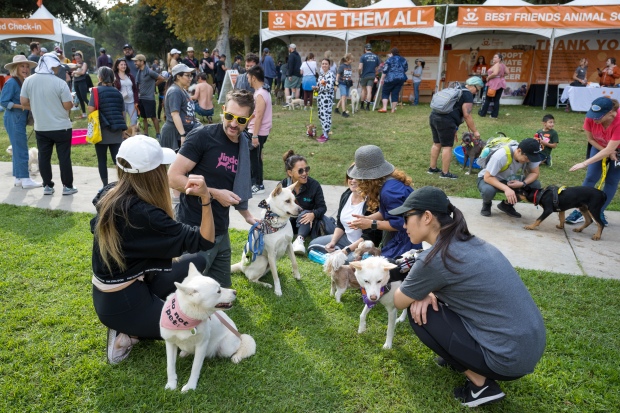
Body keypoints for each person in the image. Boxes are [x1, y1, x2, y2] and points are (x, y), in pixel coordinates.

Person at [391, 186, 546, 408]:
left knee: (418, 310)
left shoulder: (434, 258)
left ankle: (481, 385)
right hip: (527, 348)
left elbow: (399, 300)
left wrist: (421, 293)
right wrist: (428, 290)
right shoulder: (469, 241)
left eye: (407, 217)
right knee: (429, 298)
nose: (404, 225)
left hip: (507, 359)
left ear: (426, 217)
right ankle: (461, 357)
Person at [91, 135, 215, 364]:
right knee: (197, 330)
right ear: (155, 173)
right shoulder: (146, 215)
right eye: (163, 167)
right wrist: (206, 197)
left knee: (196, 262)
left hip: (122, 287)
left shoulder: (110, 192)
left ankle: (143, 316)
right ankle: (126, 332)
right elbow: (205, 240)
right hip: (122, 304)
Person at [168, 89, 257, 288]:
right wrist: (215, 194)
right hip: (194, 229)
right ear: (223, 110)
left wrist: (247, 215)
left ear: (250, 119)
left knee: (222, 292)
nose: (234, 124)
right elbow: (173, 178)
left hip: (221, 230)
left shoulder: (243, 144)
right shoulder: (202, 137)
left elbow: (236, 186)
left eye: (241, 120)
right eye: (230, 116)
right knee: (192, 294)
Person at [347, 145, 421, 260]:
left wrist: (371, 224)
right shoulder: (388, 182)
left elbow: (400, 223)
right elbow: (386, 212)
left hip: (410, 238)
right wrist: (366, 218)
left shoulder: (389, 191)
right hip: (406, 235)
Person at [20, 52, 77, 196]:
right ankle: (68, 187)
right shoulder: (60, 83)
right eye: (57, 66)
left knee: (44, 157)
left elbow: (23, 102)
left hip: (41, 127)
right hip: (61, 127)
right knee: (64, 157)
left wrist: (39, 106)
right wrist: (71, 100)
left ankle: (47, 186)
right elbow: (67, 106)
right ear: (51, 65)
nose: (58, 68)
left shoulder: (29, 81)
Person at [567, 97, 620, 227]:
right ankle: (580, 211)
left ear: (610, 113)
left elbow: (611, 148)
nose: (594, 119)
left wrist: (584, 163)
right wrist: (607, 151)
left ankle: (598, 211)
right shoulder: (591, 118)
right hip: (600, 146)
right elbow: (591, 139)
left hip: (618, 151)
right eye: (592, 115)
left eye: (598, 117)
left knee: (612, 180)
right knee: (591, 177)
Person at [309, 170, 381, 261]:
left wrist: (346, 250)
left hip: (362, 246)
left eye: (357, 178)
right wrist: (333, 242)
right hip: (345, 239)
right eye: (350, 177)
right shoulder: (346, 195)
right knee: (312, 245)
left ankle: (338, 257)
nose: (353, 181)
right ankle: (335, 255)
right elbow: (340, 224)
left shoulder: (372, 202)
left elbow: (370, 237)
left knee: (350, 261)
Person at [428, 76, 483, 180]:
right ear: (473, 86)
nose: (476, 92)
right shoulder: (467, 95)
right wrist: (475, 131)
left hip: (434, 116)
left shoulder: (457, 87)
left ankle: (432, 168)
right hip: (446, 120)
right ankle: (445, 173)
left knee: (436, 143)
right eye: (477, 89)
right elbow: (467, 115)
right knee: (447, 146)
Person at [1, 55, 41, 189]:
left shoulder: (22, 81)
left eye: (27, 66)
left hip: (18, 118)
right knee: (22, 149)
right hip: (13, 118)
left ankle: (19, 178)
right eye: (22, 66)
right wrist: (23, 106)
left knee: (18, 149)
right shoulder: (12, 82)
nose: (25, 69)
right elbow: (3, 102)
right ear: (15, 68)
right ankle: (25, 179)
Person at [477, 138, 543, 218]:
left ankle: (507, 205)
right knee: (488, 190)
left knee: (535, 185)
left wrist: (523, 183)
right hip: (490, 179)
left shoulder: (532, 156)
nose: (529, 161)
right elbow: (487, 177)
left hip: (509, 179)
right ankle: (487, 204)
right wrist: (506, 189)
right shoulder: (501, 156)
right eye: (527, 158)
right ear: (519, 151)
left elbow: (535, 173)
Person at [281, 150, 327, 255]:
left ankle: (299, 240)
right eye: (300, 171)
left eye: (306, 169)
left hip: (306, 222)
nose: (305, 173)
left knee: (305, 212)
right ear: (290, 173)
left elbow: (322, 207)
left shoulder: (314, 185)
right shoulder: (283, 185)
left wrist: (313, 214)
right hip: (288, 221)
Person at [88, 67, 127, 187]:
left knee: (102, 160)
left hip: (101, 131)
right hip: (116, 130)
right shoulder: (118, 92)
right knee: (118, 160)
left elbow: (90, 111)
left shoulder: (95, 91)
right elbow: (123, 113)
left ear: (100, 77)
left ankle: (105, 185)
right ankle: (122, 184)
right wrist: (123, 130)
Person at [247, 65, 272, 195]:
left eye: (248, 77)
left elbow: (259, 116)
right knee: (256, 157)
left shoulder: (261, 94)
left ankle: (257, 184)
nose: (247, 80)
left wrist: (255, 135)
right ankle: (258, 182)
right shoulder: (262, 92)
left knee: (254, 159)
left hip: (257, 132)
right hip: (258, 130)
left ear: (254, 78)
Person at [160, 64, 197, 152]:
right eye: (187, 75)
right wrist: (183, 135)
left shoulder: (182, 90)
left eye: (191, 75)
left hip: (183, 132)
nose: (190, 78)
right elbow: (175, 114)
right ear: (178, 76)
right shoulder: (174, 91)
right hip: (176, 134)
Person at [133, 54, 165, 139]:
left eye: (136, 61)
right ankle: (146, 134)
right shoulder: (139, 72)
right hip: (141, 98)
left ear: (142, 62)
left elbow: (161, 78)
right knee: (143, 117)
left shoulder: (149, 71)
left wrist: (154, 85)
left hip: (149, 98)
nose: (135, 62)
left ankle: (158, 133)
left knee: (153, 117)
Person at [113, 58, 139, 135]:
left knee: (134, 120)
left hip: (131, 102)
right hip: (122, 103)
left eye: (125, 64)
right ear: (117, 66)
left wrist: (136, 101)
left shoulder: (130, 76)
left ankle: (134, 136)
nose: (124, 66)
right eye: (121, 64)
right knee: (123, 121)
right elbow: (114, 90)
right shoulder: (115, 77)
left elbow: (135, 89)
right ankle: (123, 137)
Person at [378, 48, 408, 113]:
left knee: (385, 92)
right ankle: (393, 109)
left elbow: (385, 70)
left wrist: (382, 79)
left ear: (392, 53)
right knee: (395, 93)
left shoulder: (389, 60)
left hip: (390, 78)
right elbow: (406, 69)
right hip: (400, 79)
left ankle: (384, 108)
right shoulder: (403, 59)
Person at [313, 58, 336, 143]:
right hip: (320, 98)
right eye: (323, 64)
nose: (324, 65)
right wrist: (316, 88)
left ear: (329, 65)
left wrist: (321, 85)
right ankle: (324, 133)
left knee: (326, 116)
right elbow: (320, 85)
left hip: (327, 99)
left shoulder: (330, 74)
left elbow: (329, 87)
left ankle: (325, 135)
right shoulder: (321, 75)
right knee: (321, 115)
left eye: (326, 64)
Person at [478, 53, 508, 119]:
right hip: (500, 83)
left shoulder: (497, 65)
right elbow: (507, 72)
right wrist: (501, 76)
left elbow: (495, 73)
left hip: (493, 84)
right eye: (493, 57)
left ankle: (483, 113)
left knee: (488, 99)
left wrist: (489, 77)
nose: (494, 58)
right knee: (496, 100)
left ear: (499, 59)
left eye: (495, 57)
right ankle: (494, 115)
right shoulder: (503, 65)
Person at [359, 44, 380, 111]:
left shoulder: (363, 56)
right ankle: (367, 106)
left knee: (363, 90)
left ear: (365, 49)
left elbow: (360, 68)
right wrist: (375, 73)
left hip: (364, 75)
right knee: (369, 91)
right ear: (371, 49)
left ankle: (362, 105)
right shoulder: (376, 57)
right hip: (372, 75)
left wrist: (359, 73)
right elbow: (378, 68)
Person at [72, 51, 89, 118]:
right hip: (76, 82)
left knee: (84, 97)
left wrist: (75, 72)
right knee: (80, 98)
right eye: (76, 59)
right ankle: (84, 113)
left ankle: (95, 110)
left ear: (81, 58)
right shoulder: (75, 64)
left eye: (78, 58)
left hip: (82, 82)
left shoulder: (84, 64)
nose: (77, 60)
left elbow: (82, 72)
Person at [336, 53, 353, 118]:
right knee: (343, 96)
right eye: (351, 59)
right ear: (347, 59)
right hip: (342, 83)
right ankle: (344, 111)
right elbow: (338, 74)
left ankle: (337, 109)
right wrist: (336, 82)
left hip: (347, 83)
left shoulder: (350, 66)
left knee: (344, 97)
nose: (352, 60)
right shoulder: (342, 66)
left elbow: (348, 74)